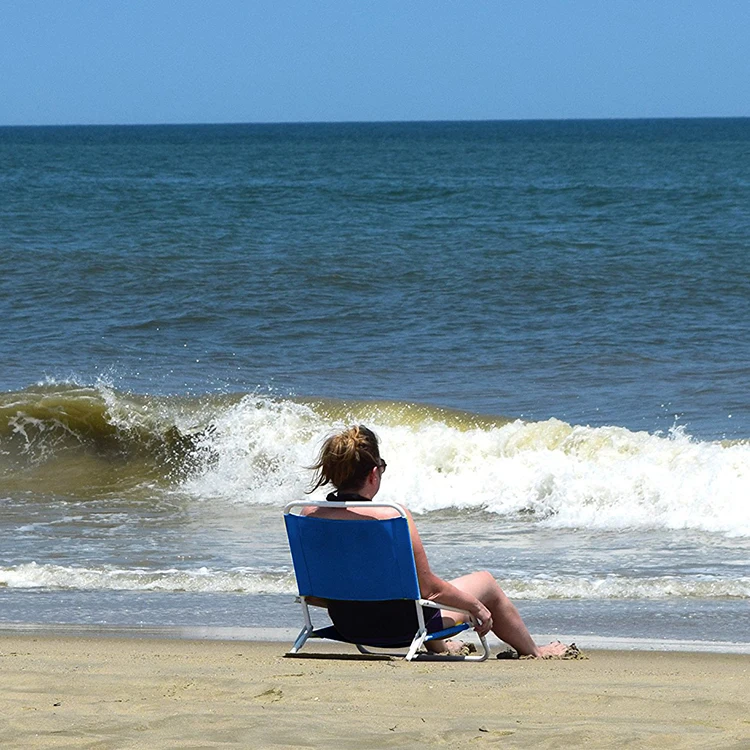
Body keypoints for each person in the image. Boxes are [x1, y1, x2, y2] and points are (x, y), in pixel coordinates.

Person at [304, 424, 567, 658]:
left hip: (348, 626)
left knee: (405, 597)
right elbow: (431, 590)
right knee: (485, 583)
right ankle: (535, 651)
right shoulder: (390, 517)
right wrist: (478, 607)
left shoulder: (309, 515)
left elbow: (318, 592)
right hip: (400, 630)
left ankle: (439, 646)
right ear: (374, 474)